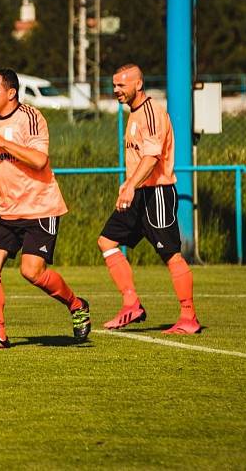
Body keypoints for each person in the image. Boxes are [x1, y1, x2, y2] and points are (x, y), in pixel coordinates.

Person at [0, 68, 90, 350]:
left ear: (11, 93)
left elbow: (39, 160)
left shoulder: (31, 117)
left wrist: (4, 143)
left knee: (32, 272)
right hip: (6, 210)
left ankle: (76, 304)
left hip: (40, 207)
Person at [98, 64, 200, 334]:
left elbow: (152, 156)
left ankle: (189, 317)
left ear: (138, 85)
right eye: (115, 85)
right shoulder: (134, 114)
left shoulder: (151, 112)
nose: (116, 90)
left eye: (122, 85)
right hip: (139, 192)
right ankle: (131, 304)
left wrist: (131, 185)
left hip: (156, 193)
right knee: (107, 241)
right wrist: (130, 184)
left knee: (171, 254)